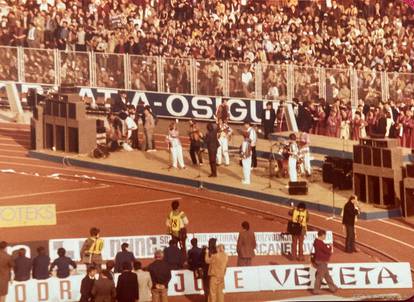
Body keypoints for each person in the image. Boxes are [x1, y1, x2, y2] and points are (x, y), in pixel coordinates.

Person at [312, 230, 338, 295]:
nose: (325, 237)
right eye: (325, 235)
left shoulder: (317, 241)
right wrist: (330, 246)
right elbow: (327, 251)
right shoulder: (320, 242)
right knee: (320, 276)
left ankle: (333, 288)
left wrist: (326, 245)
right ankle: (316, 290)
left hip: (320, 260)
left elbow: (322, 248)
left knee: (327, 276)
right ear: (322, 235)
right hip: (321, 261)